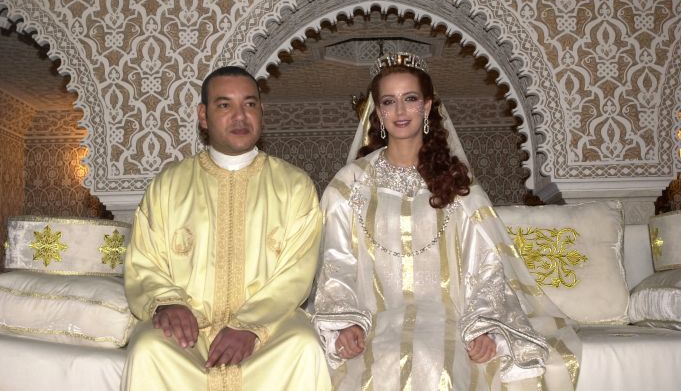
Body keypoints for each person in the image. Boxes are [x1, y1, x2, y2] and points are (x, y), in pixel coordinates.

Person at [311, 53, 581, 390]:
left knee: (433, 360)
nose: (399, 111)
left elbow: (485, 266)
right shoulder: (349, 184)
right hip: (373, 322)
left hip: (447, 321)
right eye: (389, 102)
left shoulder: (457, 184)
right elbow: (337, 264)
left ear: (426, 107)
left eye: (410, 99)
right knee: (380, 362)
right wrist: (346, 324)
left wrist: (484, 327)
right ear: (378, 112)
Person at [122, 66, 331, 390]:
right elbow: (144, 260)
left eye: (249, 104)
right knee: (149, 349)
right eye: (225, 105)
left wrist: (249, 325)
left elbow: (297, 272)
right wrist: (167, 302)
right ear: (203, 116)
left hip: (269, 330)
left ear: (261, 112)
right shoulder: (169, 185)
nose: (240, 116)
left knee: (303, 347)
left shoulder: (294, 186)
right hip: (190, 330)